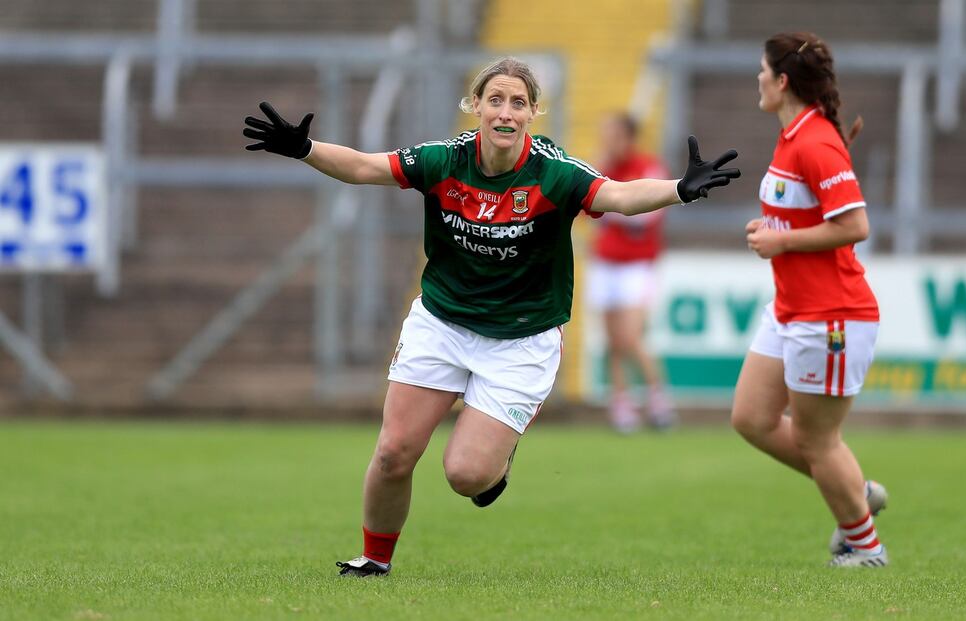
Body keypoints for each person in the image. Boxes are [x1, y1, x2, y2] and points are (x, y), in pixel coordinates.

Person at [243, 56, 740, 577]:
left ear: (533, 113)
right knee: (393, 453)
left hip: (522, 339)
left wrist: (679, 189)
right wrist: (304, 149)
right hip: (442, 322)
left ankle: (495, 462)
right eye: (495, 100)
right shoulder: (444, 160)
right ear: (476, 106)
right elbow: (367, 167)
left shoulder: (554, 171)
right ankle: (374, 560)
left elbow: (615, 195)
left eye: (518, 103)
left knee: (466, 475)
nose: (506, 112)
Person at [732, 33, 888, 568]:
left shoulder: (815, 141)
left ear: (782, 81)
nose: (756, 78)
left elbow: (856, 225)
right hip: (790, 308)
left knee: (819, 441)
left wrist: (782, 240)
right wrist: (774, 227)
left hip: (831, 315)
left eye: (762, 70)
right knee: (751, 417)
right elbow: (805, 214)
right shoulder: (791, 135)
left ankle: (865, 548)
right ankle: (852, 489)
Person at [588, 113, 675, 432]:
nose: (608, 142)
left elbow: (646, 216)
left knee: (631, 337)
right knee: (611, 340)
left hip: (636, 265)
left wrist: (612, 207)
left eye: (613, 135)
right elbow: (587, 208)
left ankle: (658, 398)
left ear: (628, 137)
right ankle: (621, 405)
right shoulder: (602, 170)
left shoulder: (648, 168)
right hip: (605, 262)